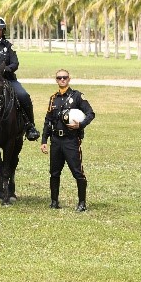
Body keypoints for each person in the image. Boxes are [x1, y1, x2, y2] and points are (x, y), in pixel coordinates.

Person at [40, 69, 95, 212]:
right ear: (56, 80)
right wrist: (44, 140)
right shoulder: (53, 98)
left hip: (71, 140)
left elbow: (91, 113)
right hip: (56, 141)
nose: (62, 80)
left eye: (65, 77)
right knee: (54, 172)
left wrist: (80, 125)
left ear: (69, 79)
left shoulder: (77, 96)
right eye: (59, 78)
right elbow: (48, 120)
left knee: (77, 172)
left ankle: (82, 203)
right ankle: (54, 201)